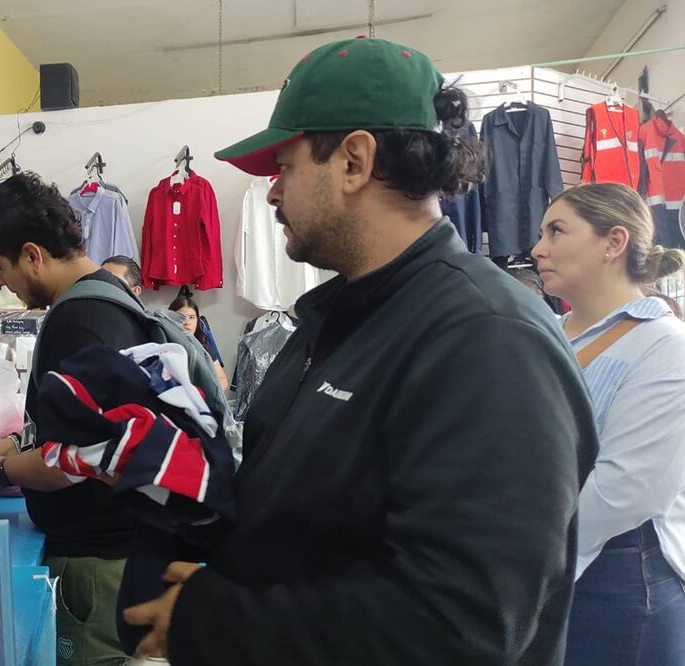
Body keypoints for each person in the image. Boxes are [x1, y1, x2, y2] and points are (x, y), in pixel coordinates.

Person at [123, 37, 598, 664]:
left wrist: (214, 618)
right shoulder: (340, 321)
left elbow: (459, 628)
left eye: (284, 168)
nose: (271, 193)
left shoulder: (486, 339)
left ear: (354, 160)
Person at [0, 172, 152, 666]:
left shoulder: (77, 321)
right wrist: (18, 442)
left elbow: (80, 458)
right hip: (118, 548)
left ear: (33, 255)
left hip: (98, 561)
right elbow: (87, 424)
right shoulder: (106, 299)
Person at [530, 183, 685, 666]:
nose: (537, 249)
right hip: (544, 560)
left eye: (557, 231)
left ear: (613, 243)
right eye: (540, 233)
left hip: (615, 571)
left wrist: (516, 542)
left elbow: (626, 492)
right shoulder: (547, 332)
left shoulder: (665, 345)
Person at [167, 289, 228, 391]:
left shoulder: (203, 345)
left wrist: (210, 395)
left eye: (192, 317)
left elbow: (222, 379)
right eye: (181, 317)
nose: (187, 323)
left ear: (197, 320)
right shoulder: (164, 344)